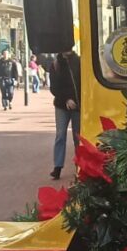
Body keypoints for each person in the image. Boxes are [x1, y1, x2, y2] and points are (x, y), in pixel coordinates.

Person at [48, 49, 80, 180]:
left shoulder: (79, 61)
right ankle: (58, 166)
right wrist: (67, 99)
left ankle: (80, 166)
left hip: (78, 105)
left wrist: (75, 100)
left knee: (78, 137)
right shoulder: (56, 64)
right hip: (62, 105)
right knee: (60, 135)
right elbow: (54, 87)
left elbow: (83, 84)